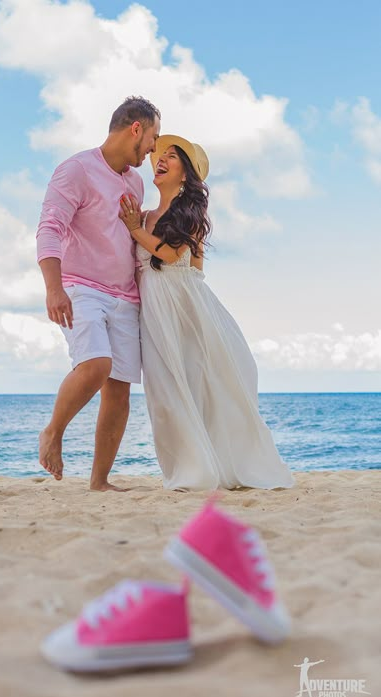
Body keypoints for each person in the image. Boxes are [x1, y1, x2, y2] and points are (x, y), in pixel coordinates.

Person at [119, 135, 295, 490]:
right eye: (161, 155)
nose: (162, 160)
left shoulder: (189, 213)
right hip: (155, 308)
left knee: (198, 385)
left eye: (172, 156)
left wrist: (135, 229)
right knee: (163, 391)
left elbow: (169, 256)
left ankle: (204, 470)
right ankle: (189, 468)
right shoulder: (147, 215)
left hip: (184, 307)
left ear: (186, 174)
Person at [36, 96, 161, 491]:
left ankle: (99, 481)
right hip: (81, 287)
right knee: (95, 365)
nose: (154, 148)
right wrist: (54, 288)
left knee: (119, 390)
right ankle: (53, 432)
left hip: (126, 296)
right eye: (153, 137)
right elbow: (49, 229)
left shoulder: (136, 182)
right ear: (135, 129)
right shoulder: (76, 170)